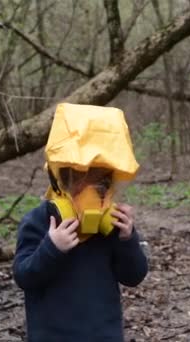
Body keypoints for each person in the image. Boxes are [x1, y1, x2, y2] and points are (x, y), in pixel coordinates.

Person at [12, 103, 148, 341]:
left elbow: (134, 276)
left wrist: (128, 239)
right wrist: (52, 248)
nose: (96, 195)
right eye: (87, 184)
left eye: (103, 186)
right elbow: (24, 276)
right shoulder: (39, 221)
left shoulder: (111, 226)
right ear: (62, 180)